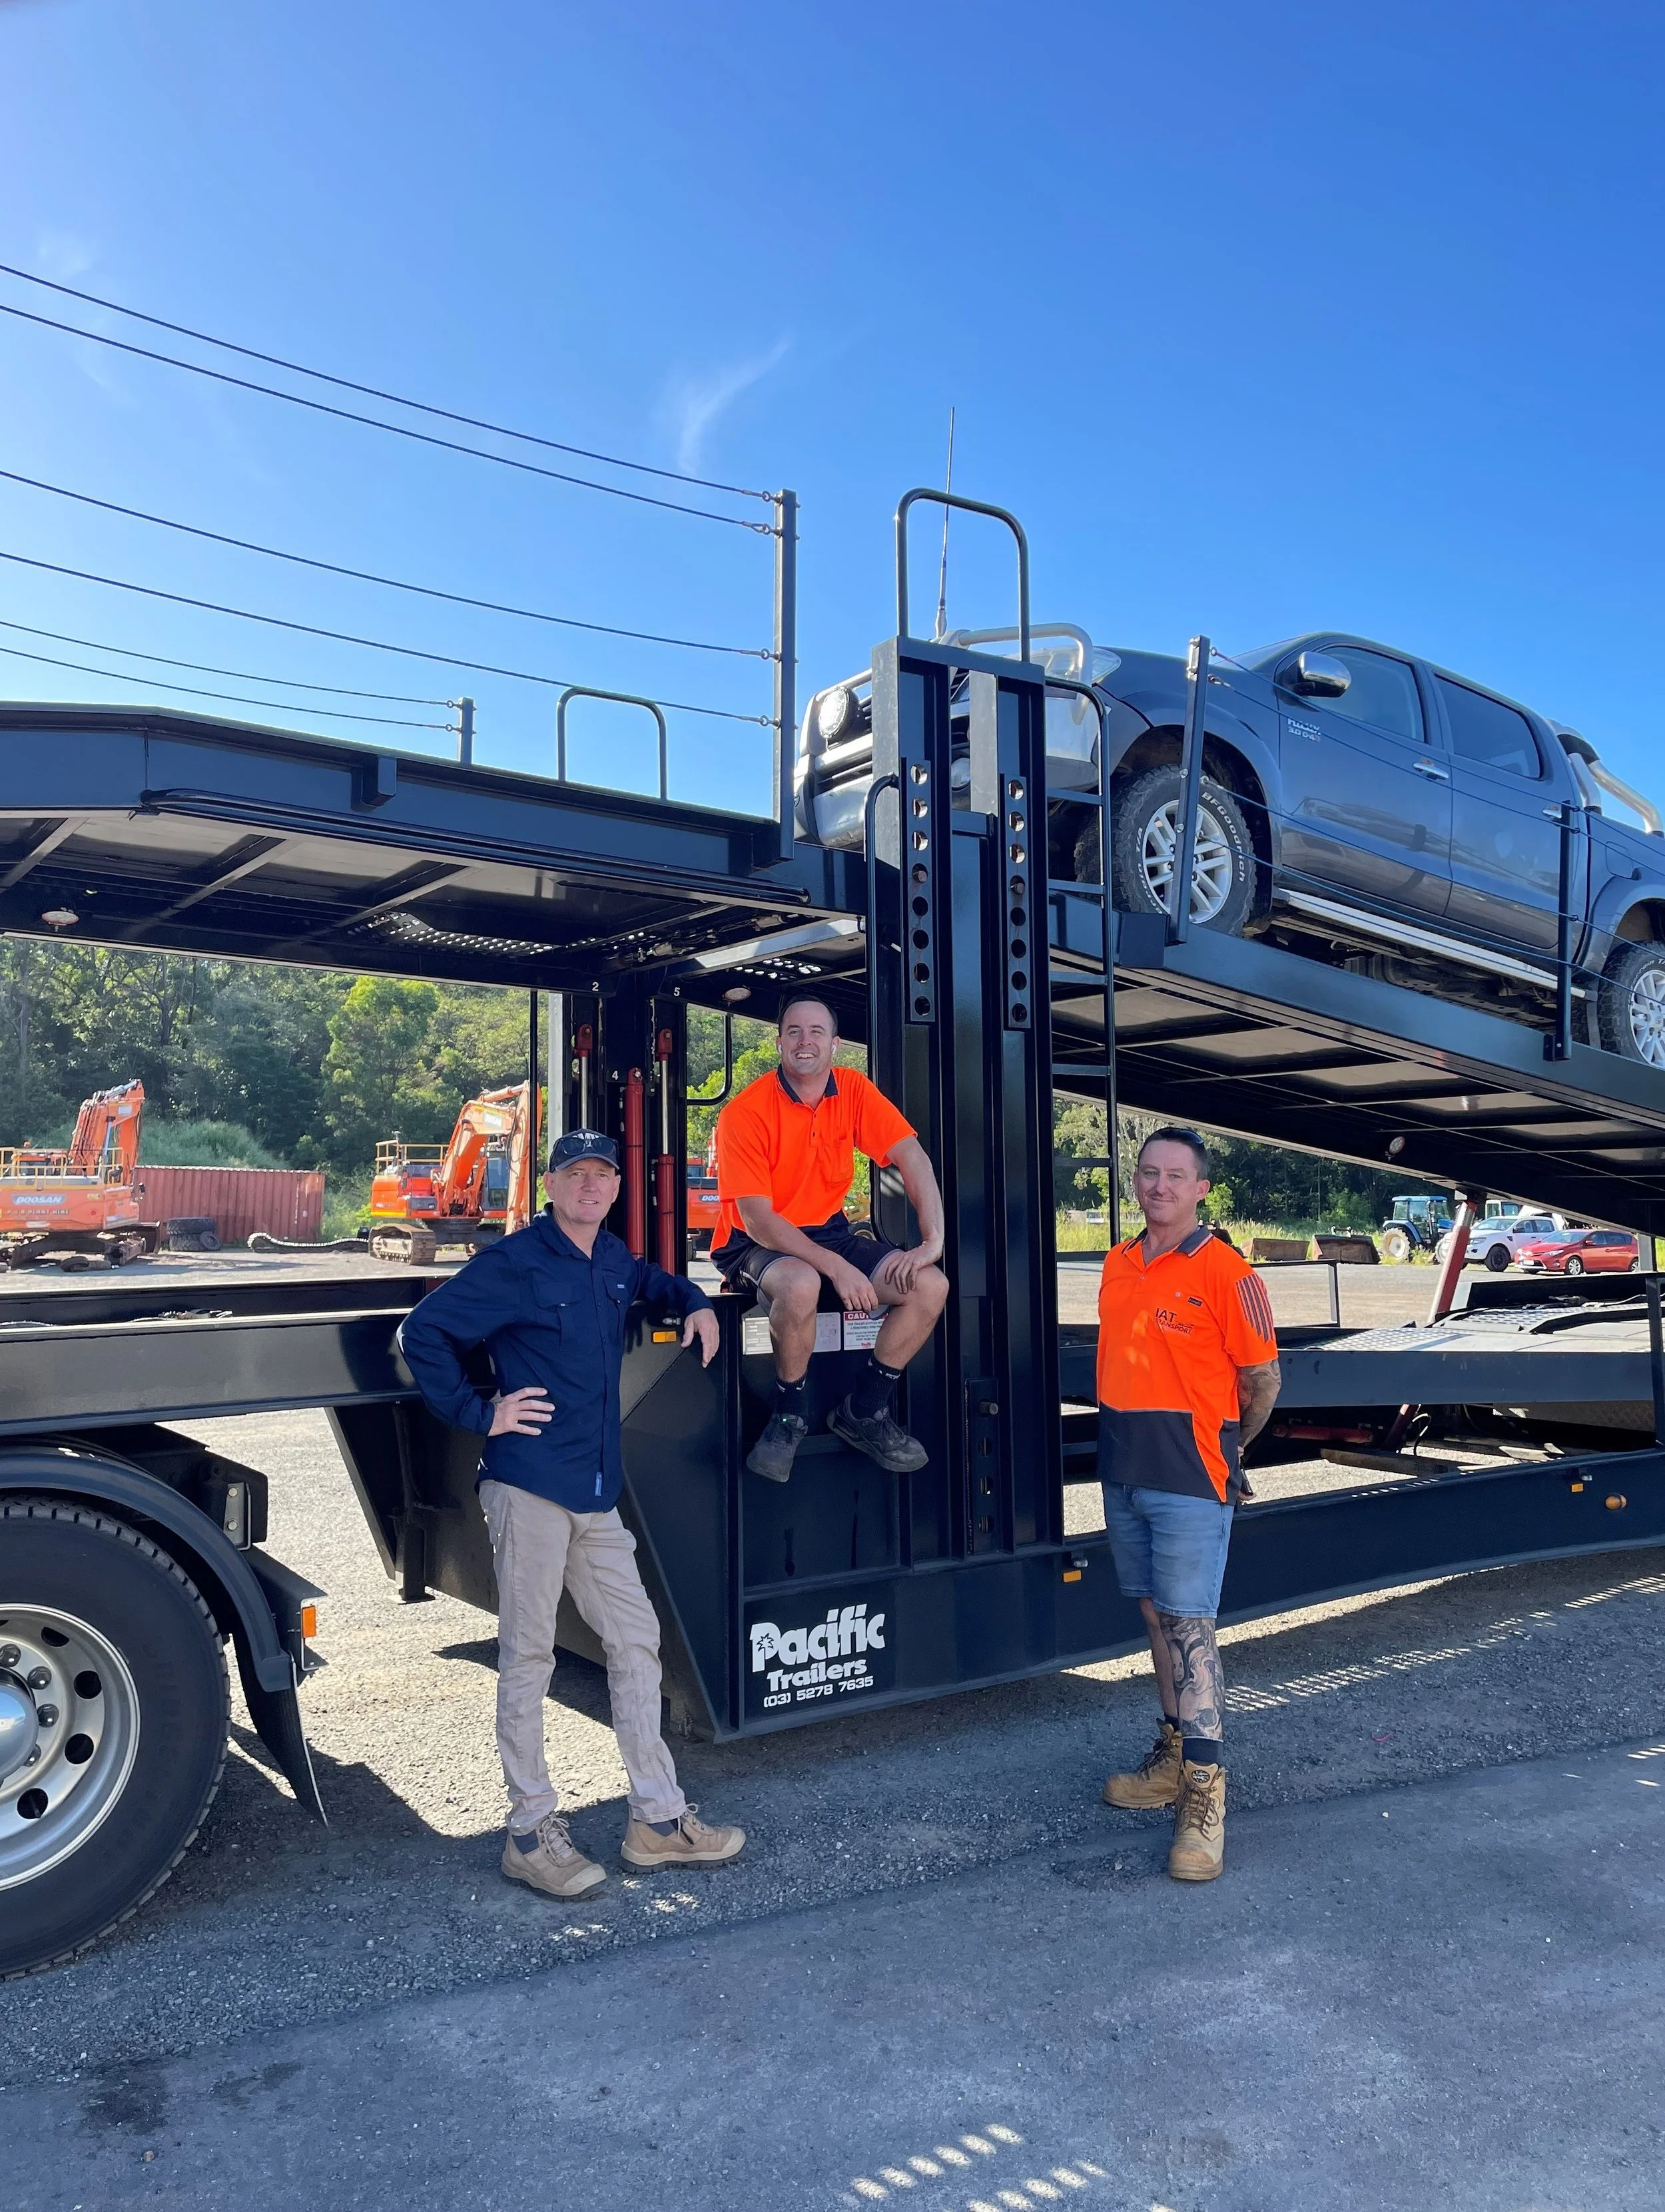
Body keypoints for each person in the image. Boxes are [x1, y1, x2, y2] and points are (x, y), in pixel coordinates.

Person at [398, 1127, 745, 1902]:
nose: (590, 1186)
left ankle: (656, 1820)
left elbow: (654, 1281)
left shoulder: (612, 1259)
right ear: (550, 1185)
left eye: (601, 1175)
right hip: (528, 1489)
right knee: (529, 1656)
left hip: (595, 1492)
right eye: (574, 1175)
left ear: (616, 1188)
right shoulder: (516, 1262)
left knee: (635, 1641)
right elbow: (422, 1333)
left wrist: (695, 1302)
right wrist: (479, 1410)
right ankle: (530, 1833)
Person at [1096, 1126, 1281, 1882]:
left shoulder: (1227, 1271)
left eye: (1175, 1176)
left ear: (1202, 1188)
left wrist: (1227, 1448)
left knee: (1190, 1627)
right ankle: (1172, 1755)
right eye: (1148, 1173)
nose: (1159, 1186)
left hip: (1189, 1480)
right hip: (1125, 1471)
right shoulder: (1116, 1262)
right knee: (1151, 1614)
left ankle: (1205, 1792)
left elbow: (1263, 1380)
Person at [712, 993, 950, 1483]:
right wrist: (836, 1268)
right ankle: (788, 1416)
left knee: (931, 1287)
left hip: (828, 1230)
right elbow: (757, 1220)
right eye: (794, 1032)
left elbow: (912, 1157)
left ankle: (864, 1411)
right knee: (799, 1283)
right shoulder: (745, 1112)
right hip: (754, 1240)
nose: (805, 1041)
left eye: (817, 1032)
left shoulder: (854, 1090)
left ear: (835, 1045)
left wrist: (933, 1241)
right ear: (779, 1042)